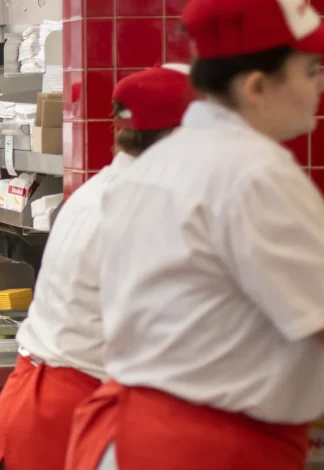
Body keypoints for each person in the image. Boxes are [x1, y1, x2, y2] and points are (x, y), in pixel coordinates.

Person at [66, 0, 324, 469]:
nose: (319, 88)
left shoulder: (155, 165)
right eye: (311, 71)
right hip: (204, 447)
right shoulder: (254, 172)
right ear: (259, 86)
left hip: (132, 437)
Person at [0, 64, 196, 470]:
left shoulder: (101, 189)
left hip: (39, 396)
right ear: (178, 136)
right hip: (66, 410)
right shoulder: (145, 207)